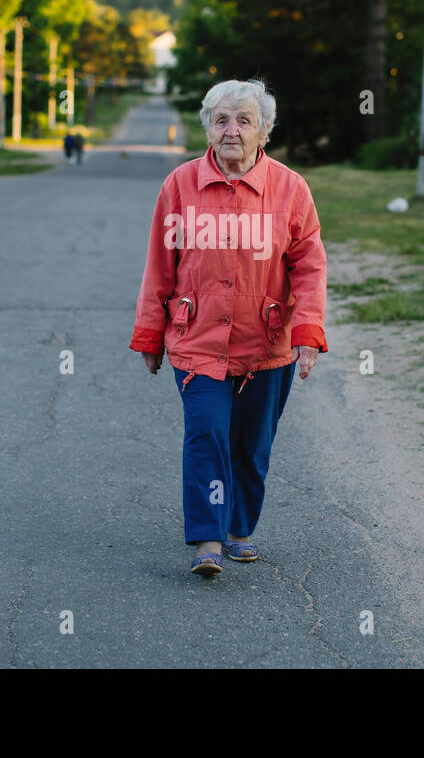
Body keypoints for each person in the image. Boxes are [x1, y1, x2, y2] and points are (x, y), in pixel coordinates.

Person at [129, 78, 328, 577]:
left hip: (266, 345)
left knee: (251, 444)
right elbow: (160, 263)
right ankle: (208, 539)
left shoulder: (291, 189)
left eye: (244, 120)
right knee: (206, 435)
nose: (231, 130)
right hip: (197, 342)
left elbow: (309, 267)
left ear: (264, 131)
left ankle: (240, 529)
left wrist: (307, 333)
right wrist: (151, 333)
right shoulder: (179, 185)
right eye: (221, 119)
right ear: (208, 128)